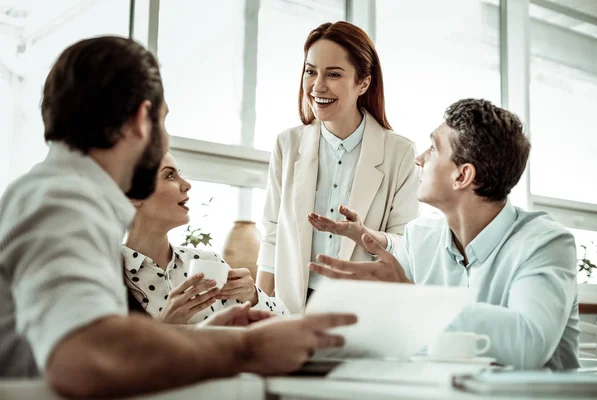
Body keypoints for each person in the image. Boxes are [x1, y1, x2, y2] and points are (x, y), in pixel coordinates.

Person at [0, 36, 357, 397]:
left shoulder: (58, 195)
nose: (165, 140)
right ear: (142, 119)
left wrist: (201, 337)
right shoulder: (63, 200)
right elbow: (86, 358)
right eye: (163, 120)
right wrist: (246, 349)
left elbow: (91, 343)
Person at [309, 98, 580, 370]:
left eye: (434, 148)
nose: (420, 158)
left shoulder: (545, 244)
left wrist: (413, 298)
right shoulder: (418, 238)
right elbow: (392, 333)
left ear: (462, 176)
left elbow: (528, 345)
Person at [256, 21, 419, 313]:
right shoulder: (287, 144)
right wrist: (258, 309)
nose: (317, 86)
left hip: (363, 309)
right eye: (310, 71)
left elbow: (406, 245)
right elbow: (272, 235)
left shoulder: (399, 152)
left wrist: (366, 235)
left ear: (363, 83)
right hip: (294, 306)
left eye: (333, 74)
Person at [123, 152, 288, 323]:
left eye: (180, 174)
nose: (187, 185)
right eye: (169, 175)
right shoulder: (105, 276)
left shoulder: (209, 262)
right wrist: (165, 326)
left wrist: (253, 297)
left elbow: (285, 324)